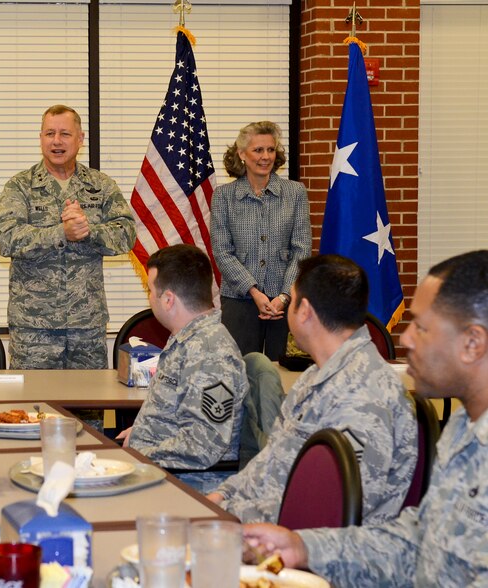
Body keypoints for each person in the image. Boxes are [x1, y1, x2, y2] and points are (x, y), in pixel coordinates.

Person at [243, 250, 488, 586]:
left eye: (422, 327)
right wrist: (304, 548)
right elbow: (417, 539)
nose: (405, 339)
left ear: (472, 343)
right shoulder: (463, 427)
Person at [208, 255, 416, 524]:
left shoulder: (365, 394)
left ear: (304, 311)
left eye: (291, 301)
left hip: (316, 549)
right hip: (276, 526)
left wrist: (235, 517)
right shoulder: (314, 376)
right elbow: (272, 460)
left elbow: (332, 509)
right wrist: (223, 496)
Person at [0, 104, 136, 369]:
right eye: (49, 133)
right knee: (33, 406)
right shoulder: (20, 186)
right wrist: (62, 233)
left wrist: (89, 231)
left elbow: (126, 234)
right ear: (40, 138)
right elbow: (5, 237)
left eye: (65, 134)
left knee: (88, 407)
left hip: (87, 326)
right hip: (34, 327)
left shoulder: (101, 185)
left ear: (80, 139)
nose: (56, 141)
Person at [115, 244, 248, 493]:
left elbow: (204, 445)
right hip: (162, 474)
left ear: (168, 300)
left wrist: (140, 454)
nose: (149, 297)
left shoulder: (210, 353)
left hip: (186, 488)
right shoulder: (189, 339)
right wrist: (141, 431)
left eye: (150, 291)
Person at [210, 121, 312, 359]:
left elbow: (302, 249)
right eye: (258, 150)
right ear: (242, 154)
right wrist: (254, 292)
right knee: (239, 373)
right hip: (239, 300)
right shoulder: (224, 196)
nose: (265, 157)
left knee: (285, 375)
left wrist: (284, 296)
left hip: (285, 302)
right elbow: (222, 252)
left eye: (270, 149)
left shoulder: (295, 193)